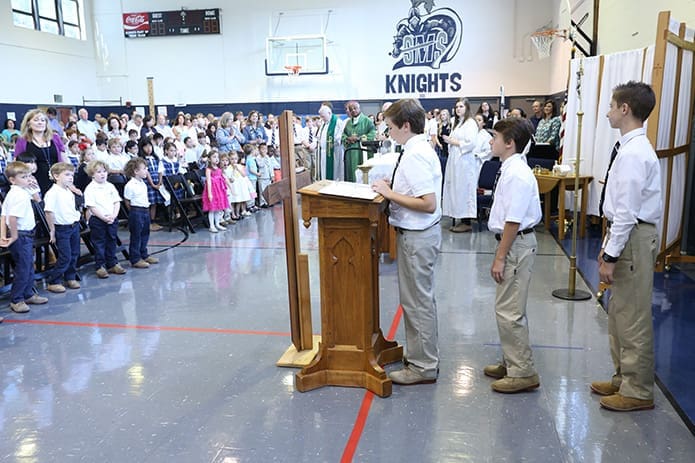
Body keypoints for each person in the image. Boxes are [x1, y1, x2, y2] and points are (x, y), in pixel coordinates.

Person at [593, 81, 661, 412]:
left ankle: (638, 389)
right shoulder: (627, 148)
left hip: (633, 236)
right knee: (620, 312)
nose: (607, 111)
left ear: (625, 109)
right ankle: (623, 377)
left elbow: (628, 211)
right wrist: (608, 245)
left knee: (632, 315)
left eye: (611, 105)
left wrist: (611, 254)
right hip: (625, 235)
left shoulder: (635, 153)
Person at [371, 98, 442, 385]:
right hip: (417, 235)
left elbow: (427, 203)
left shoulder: (415, 154)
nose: (388, 133)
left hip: (418, 235)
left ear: (406, 125)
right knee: (417, 300)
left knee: (417, 303)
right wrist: (395, 185)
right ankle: (421, 356)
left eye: (390, 127)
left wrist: (389, 194)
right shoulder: (415, 149)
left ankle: (423, 366)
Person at [484, 117, 542, 393]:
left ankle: (522, 371)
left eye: (495, 137)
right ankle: (512, 359)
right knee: (506, 306)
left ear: (509, 143)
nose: (491, 141)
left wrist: (500, 256)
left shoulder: (517, 173)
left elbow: (513, 220)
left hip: (516, 244)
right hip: (513, 243)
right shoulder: (509, 168)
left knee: (510, 310)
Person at [0, 161, 49, 313]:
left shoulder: (20, 191)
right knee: (23, 267)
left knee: (28, 266)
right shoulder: (18, 195)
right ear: (12, 180)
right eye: (24, 177)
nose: (28, 179)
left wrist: (31, 184)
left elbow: (37, 200)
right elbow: (11, 217)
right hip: (21, 235)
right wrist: (13, 235)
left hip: (25, 234)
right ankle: (17, 299)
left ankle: (28, 293)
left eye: (29, 175)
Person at [84, 160, 126, 279]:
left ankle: (112, 263)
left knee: (111, 240)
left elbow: (116, 201)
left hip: (111, 218)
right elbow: (92, 206)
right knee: (99, 243)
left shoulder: (110, 186)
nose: (102, 174)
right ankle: (100, 265)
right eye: (98, 172)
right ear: (92, 174)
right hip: (98, 220)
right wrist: (103, 217)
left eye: (104, 171)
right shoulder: (90, 189)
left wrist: (114, 215)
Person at [44, 162, 82, 293]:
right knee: (65, 255)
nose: (70, 177)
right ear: (56, 176)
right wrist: (52, 230)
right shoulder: (53, 192)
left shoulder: (68, 191)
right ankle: (54, 280)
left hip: (74, 226)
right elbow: (49, 212)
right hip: (62, 228)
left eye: (71, 175)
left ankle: (70, 276)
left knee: (75, 253)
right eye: (66, 175)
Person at [442, 98, 478, 233]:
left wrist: (453, 141)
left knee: (464, 190)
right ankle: (459, 217)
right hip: (455, 160)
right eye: (456, 106)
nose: (458, 109)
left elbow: (471, 143)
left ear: (467, 108)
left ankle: (466, 221)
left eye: (461, 106)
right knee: (456, 189)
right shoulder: (458, 123)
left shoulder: (470, 123)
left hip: (465, 161)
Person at [14, 109, 67, 194]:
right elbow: (17, 164)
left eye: (43, 120)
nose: (40, 122)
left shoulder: (55, 137)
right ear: (28, 124)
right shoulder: (22, 141)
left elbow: (64, 161)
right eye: (36, 120)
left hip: (56, 180)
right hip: (33, 182)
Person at [123, 158, 159, 268]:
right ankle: (135, 258)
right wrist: (133, 211)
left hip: (145, 210)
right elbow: (127, 200)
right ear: (135, 171)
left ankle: (144, 254)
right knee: (136, 236)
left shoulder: (142, 182)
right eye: (144, 169)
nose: (146, 170)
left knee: (145, 233)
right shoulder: (130, 185)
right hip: (136, 211)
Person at [341, 101, 376, 182]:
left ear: (359, 108)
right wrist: (348, 138)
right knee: (352, 171)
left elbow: (372, 133)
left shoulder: (367, 121)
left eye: (355, 108)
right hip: (351, 151)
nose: (353, 110)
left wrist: (359, 138)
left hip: (362, 151)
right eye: (351, 109)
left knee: (361, 173)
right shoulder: (348, 122)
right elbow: (343, 135)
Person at [202, 150, 230, 233]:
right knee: (212, 208)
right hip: (213, 190)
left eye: (217, 157)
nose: (216, 159)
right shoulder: (208, 169)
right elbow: (209, 182)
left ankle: (217, 224)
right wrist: (210, 193)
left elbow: (223, 179)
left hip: (219, 190)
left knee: (218, 208)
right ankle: (212, 225)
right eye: (214, 157)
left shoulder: (219, 169)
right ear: (209, 159)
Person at [139, 138, 164, 231]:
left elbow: (160, 170)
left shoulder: (156, 158)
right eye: (145, 146)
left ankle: (153, 221)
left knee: (154, 203)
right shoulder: (142, 160)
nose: (148, 148)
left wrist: (160, 181)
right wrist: (153, 184)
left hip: (156, 181)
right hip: (148, 183)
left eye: (150, 146)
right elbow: (146, 172)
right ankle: (147, 222)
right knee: (148, 203)